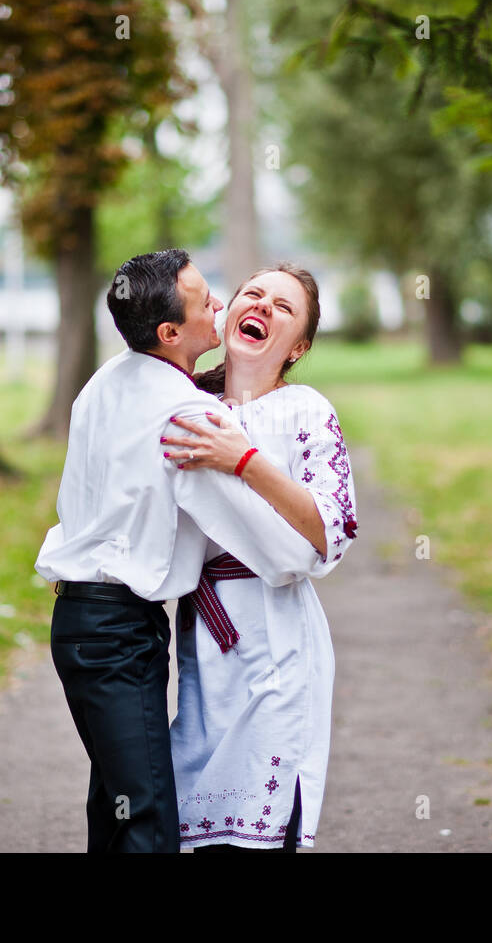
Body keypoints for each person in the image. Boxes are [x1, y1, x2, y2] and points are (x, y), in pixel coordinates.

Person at [34, 249, 327, 853]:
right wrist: (251, 472)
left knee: (113, 807)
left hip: (74, 621)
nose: (220, 304)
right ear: (170, 332)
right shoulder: (188, 413)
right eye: (205, 301)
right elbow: (281, 551)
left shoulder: (100, 386)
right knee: (146, 821)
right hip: (122, 631)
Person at [161, 263, 358, 851]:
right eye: (254, 294)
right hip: (204, 628)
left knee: (264, 823)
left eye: (284, 306)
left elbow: (332, 530)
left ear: (298, 345)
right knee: (194, 819)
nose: (264, 307)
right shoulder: (182, 400)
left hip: (278, 634)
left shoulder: (307, 410)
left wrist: (242, 458)